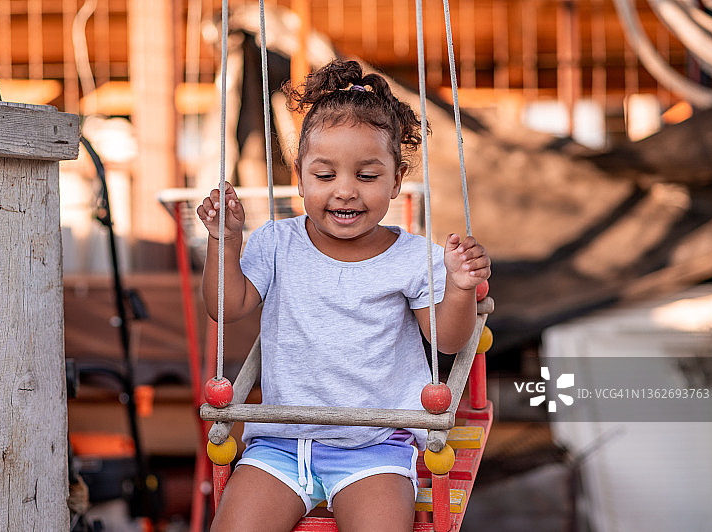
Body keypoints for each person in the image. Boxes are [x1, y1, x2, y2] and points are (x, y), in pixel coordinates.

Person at [197, 59, 491, 532]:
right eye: (325, 176)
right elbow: (225, 307)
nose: (346, 192)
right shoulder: (276, 242)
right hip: (279, 443)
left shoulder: (413, 257)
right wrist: (225, 242)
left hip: (374, 447)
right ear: (299, 177)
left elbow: (450, 340)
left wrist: (459, 287)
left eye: (367, 176)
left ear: (396, 180)